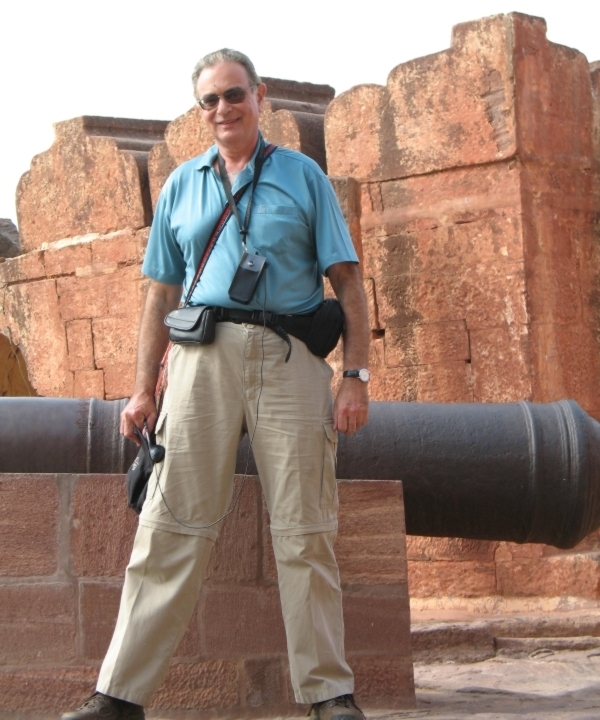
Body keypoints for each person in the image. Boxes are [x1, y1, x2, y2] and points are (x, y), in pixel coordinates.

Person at [63, 48, 370, 720]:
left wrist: (355, 376)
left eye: (235, 95)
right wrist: (142, 388)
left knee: (305, 527)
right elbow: (160, 292)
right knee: (170, 526)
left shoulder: (302, 177)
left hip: (288, 353)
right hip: (201, 356)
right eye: (211, 101)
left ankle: (329, 694)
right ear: (200, 111)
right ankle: (118, 696)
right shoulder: (182, 185)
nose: (224, 109)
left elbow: (347, 281)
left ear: (259, 97)